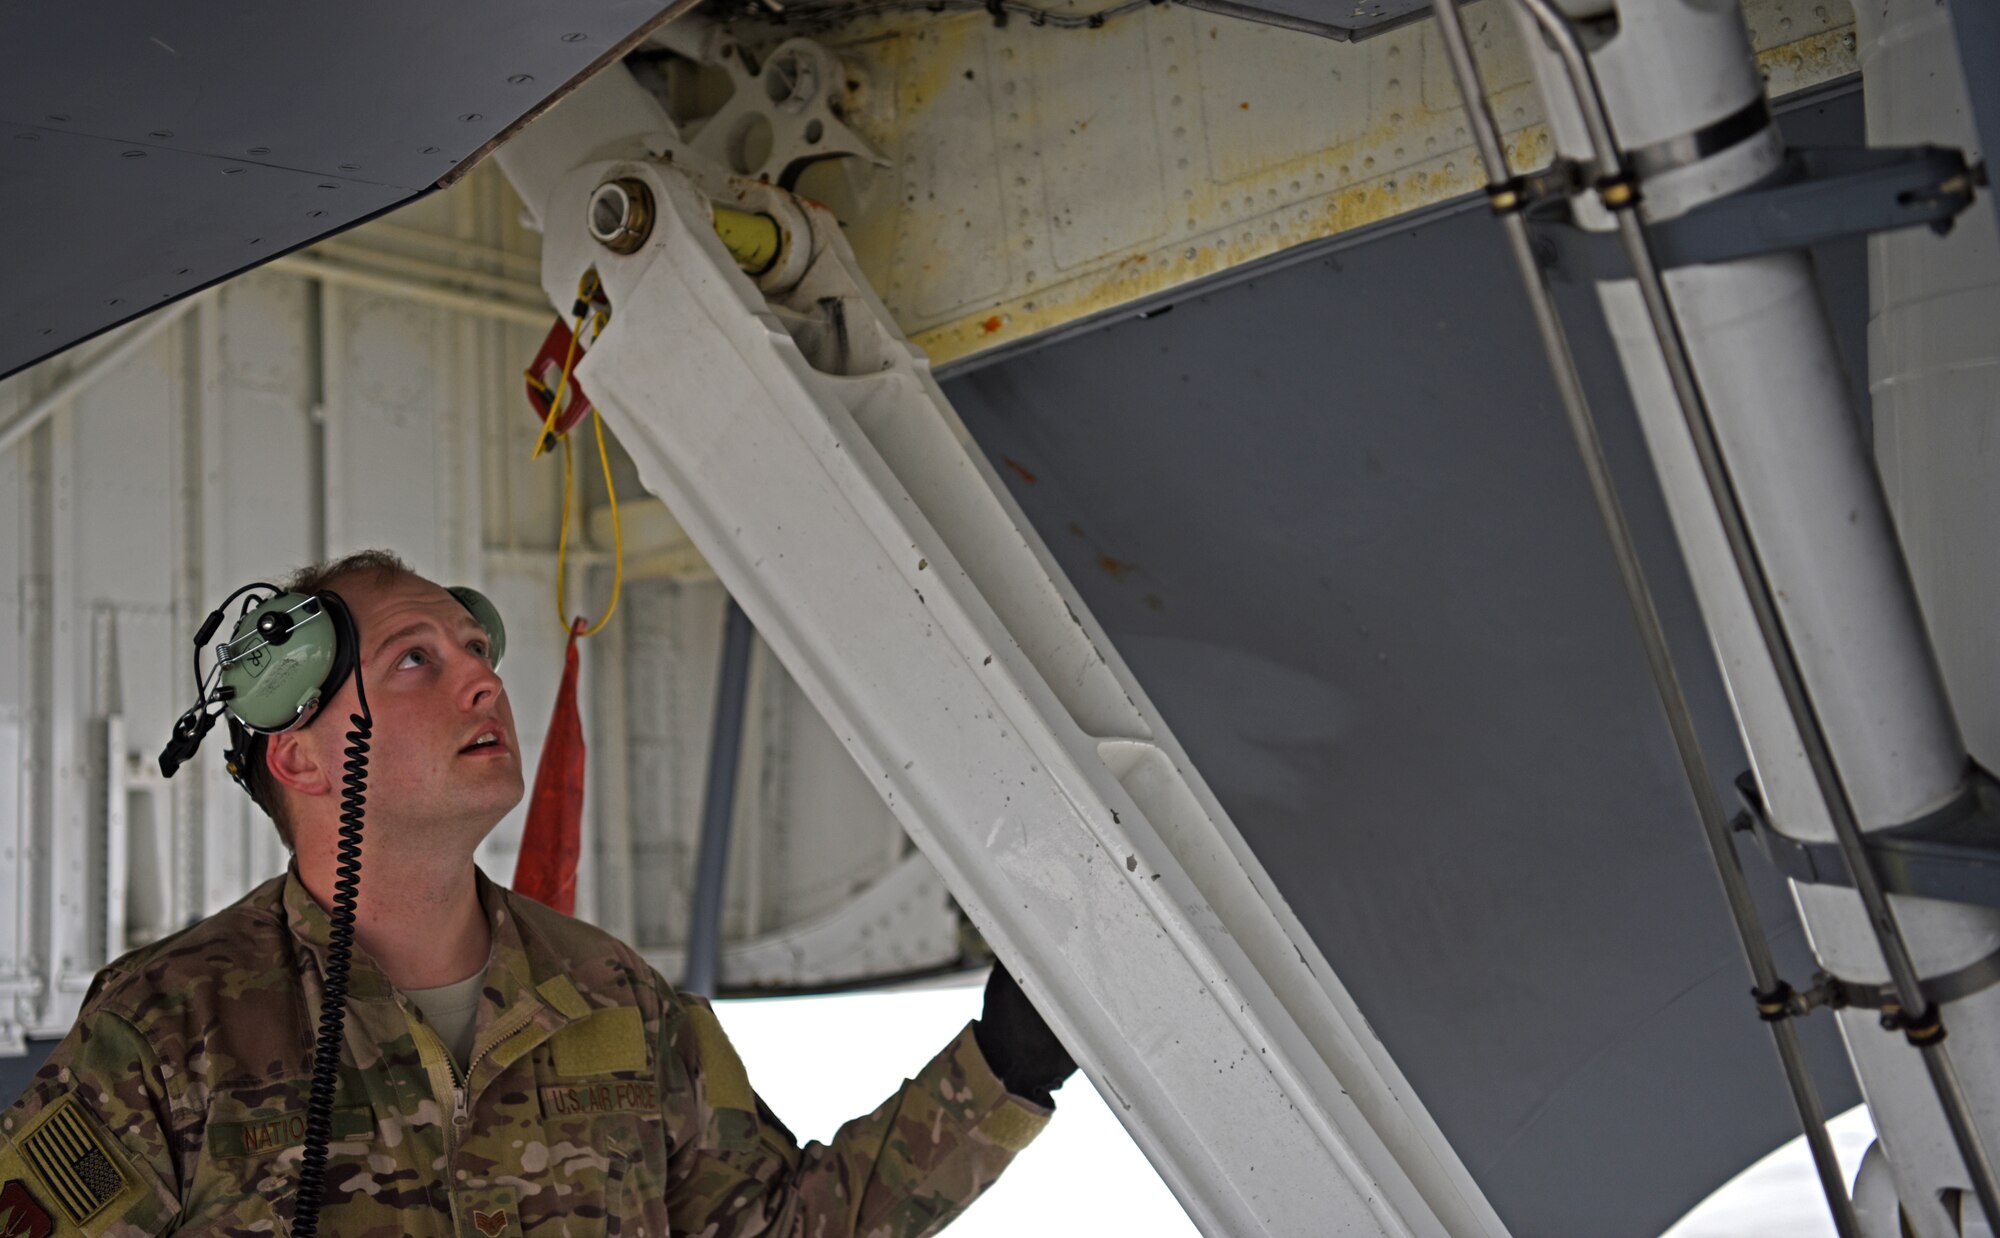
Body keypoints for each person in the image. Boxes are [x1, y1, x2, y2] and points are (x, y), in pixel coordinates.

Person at [0, 551, 1076, 1237]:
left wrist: (1006, 1066)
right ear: (304, 759)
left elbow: (780, 1230)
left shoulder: (614, 994)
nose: (483, 678)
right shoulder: (166, 1024)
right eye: (414, 659)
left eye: (474, 647)